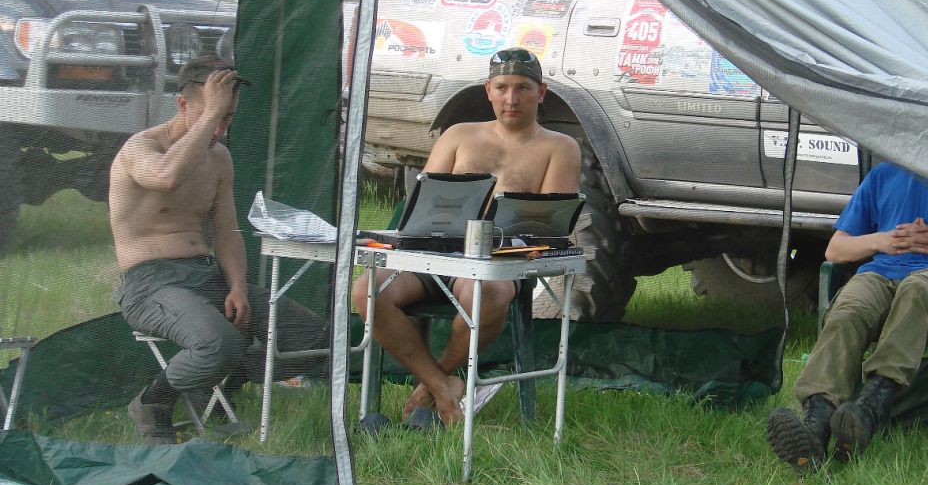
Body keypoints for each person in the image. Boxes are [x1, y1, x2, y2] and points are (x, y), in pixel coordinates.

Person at [352, 47, 582, 428]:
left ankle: (432, 385)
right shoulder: (458, 136)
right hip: (435, 254)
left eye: (523, 88)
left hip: (496, 264)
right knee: (366, 291)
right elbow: (424, 202)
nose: (511, 99)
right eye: (502, 88)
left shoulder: (559, 148)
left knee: (484, 293)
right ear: (488, 90)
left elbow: (548, 228)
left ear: (541, 93)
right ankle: (444, 388)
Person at [110, 57, 329, 444]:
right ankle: (153, 402)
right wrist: (212, 113)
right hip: (151, 284)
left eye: (228, 118)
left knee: (314, 340)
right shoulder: (140, 148)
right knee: (219, 343)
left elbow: (227, 232)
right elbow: (165, 176)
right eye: (213, 115)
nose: (220, 129)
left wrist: (238, 287)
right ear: (183, 105)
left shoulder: (219, 158)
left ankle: (217, 382)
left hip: (208, 275)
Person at [767, 162, 928, 470]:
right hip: (880, 273)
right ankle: (815, 425)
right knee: (848, 310)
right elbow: (836, 250)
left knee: (917, 292)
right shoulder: (884, 175)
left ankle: (871, 408)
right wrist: (883, 240)